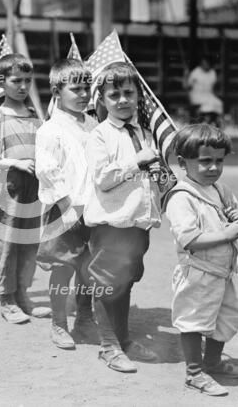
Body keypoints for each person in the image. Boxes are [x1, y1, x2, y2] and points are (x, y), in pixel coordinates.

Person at [84, 62, 163, 372]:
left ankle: (124, 338)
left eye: (128, 93)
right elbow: (103, 178)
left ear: (138, 95)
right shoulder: (100, 135)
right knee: (106, 282)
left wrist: (155, 170)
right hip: (111, 223)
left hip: (137, 222)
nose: (122, 100)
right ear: (102, 100)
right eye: (113, 95)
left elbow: (149, 175)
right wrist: (138, 161)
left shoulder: (144, 133)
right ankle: (108, 346)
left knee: (126, 282)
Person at [163, 124, 238, 397]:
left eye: (219, 161)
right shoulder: (181, 197)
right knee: (194, 320)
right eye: (205, 161)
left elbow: (229, 213)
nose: (213, 167)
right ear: (183, 163)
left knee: (225, 317)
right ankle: (194, 373)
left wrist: (234, 218)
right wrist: (227, 233)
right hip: (197, 271)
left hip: (221, 270)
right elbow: (190, 239)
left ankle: (212, 362)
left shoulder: (219, 189)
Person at [0, 53, 51, 324]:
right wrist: (15, 163)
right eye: (16, 80)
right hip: (9, 189)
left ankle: (23, 295)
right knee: (8, 244)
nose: (23, 86)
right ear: (2, 82)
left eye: (27, 81)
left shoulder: (34, 114)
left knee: (29, 244)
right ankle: (6, 300)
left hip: (33, 188)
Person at [35, 58, 98, 349]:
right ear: (57, 92)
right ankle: (59, 324)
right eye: (76, 88)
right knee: (63, 267)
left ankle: (85, 316)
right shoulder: (50, 130)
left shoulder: (94, 124)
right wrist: (67, 204)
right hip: (64, 209)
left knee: (89, 266)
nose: (84, 94)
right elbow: (48, 171)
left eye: (87, 87)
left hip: (94, 207)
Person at [186, 56, 223, 128]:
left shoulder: (212, 72)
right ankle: (205, 122)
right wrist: (186, 76)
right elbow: (188, 85)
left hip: (208, 95)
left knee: (218, 103)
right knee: (208, 104)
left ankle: (214, 123)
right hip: (197, 94)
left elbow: (213, 86)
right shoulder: (196, 72)